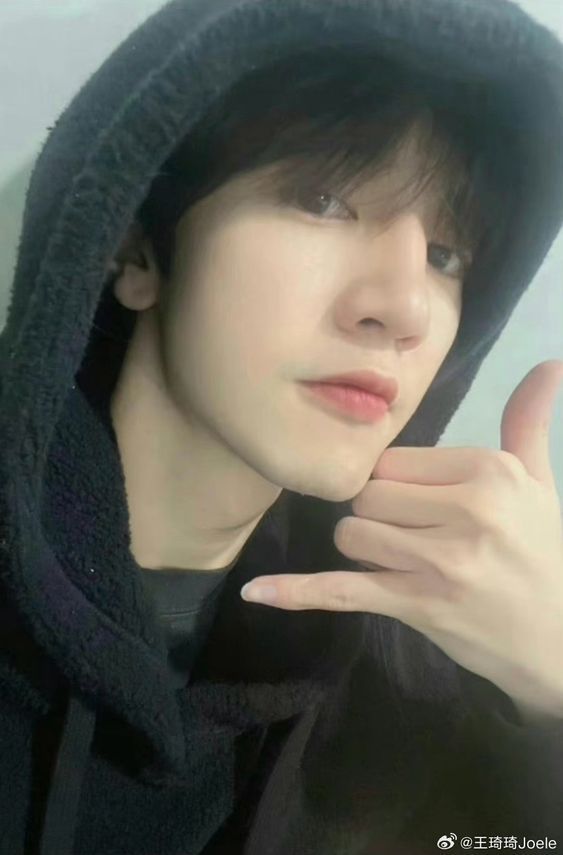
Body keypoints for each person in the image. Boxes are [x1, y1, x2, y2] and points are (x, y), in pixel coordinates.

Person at [1, 1, 563, 853]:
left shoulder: (422, 665)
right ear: (138, 247)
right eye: (323, 199)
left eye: (446, 257)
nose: (406, 308)